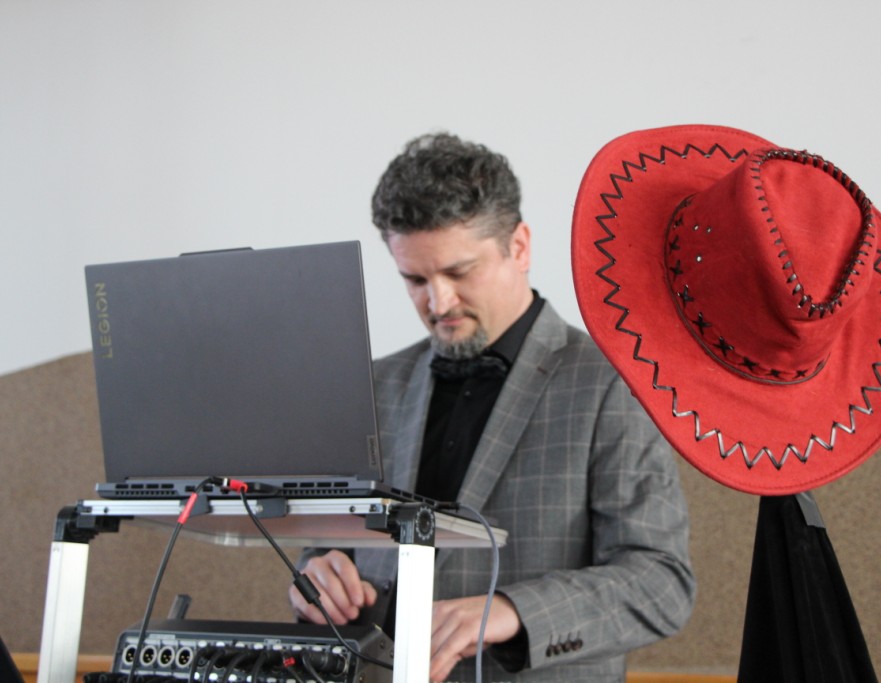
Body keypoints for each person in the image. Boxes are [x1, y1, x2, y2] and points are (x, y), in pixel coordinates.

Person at [289, 132, 695, 682]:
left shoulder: (614, 384)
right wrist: (316, 576)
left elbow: (662, 583)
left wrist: (511, 611)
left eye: (459, 273)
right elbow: (324, 547)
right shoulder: (374, 386)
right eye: (415, 280)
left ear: (519, 246)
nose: (438, 303)